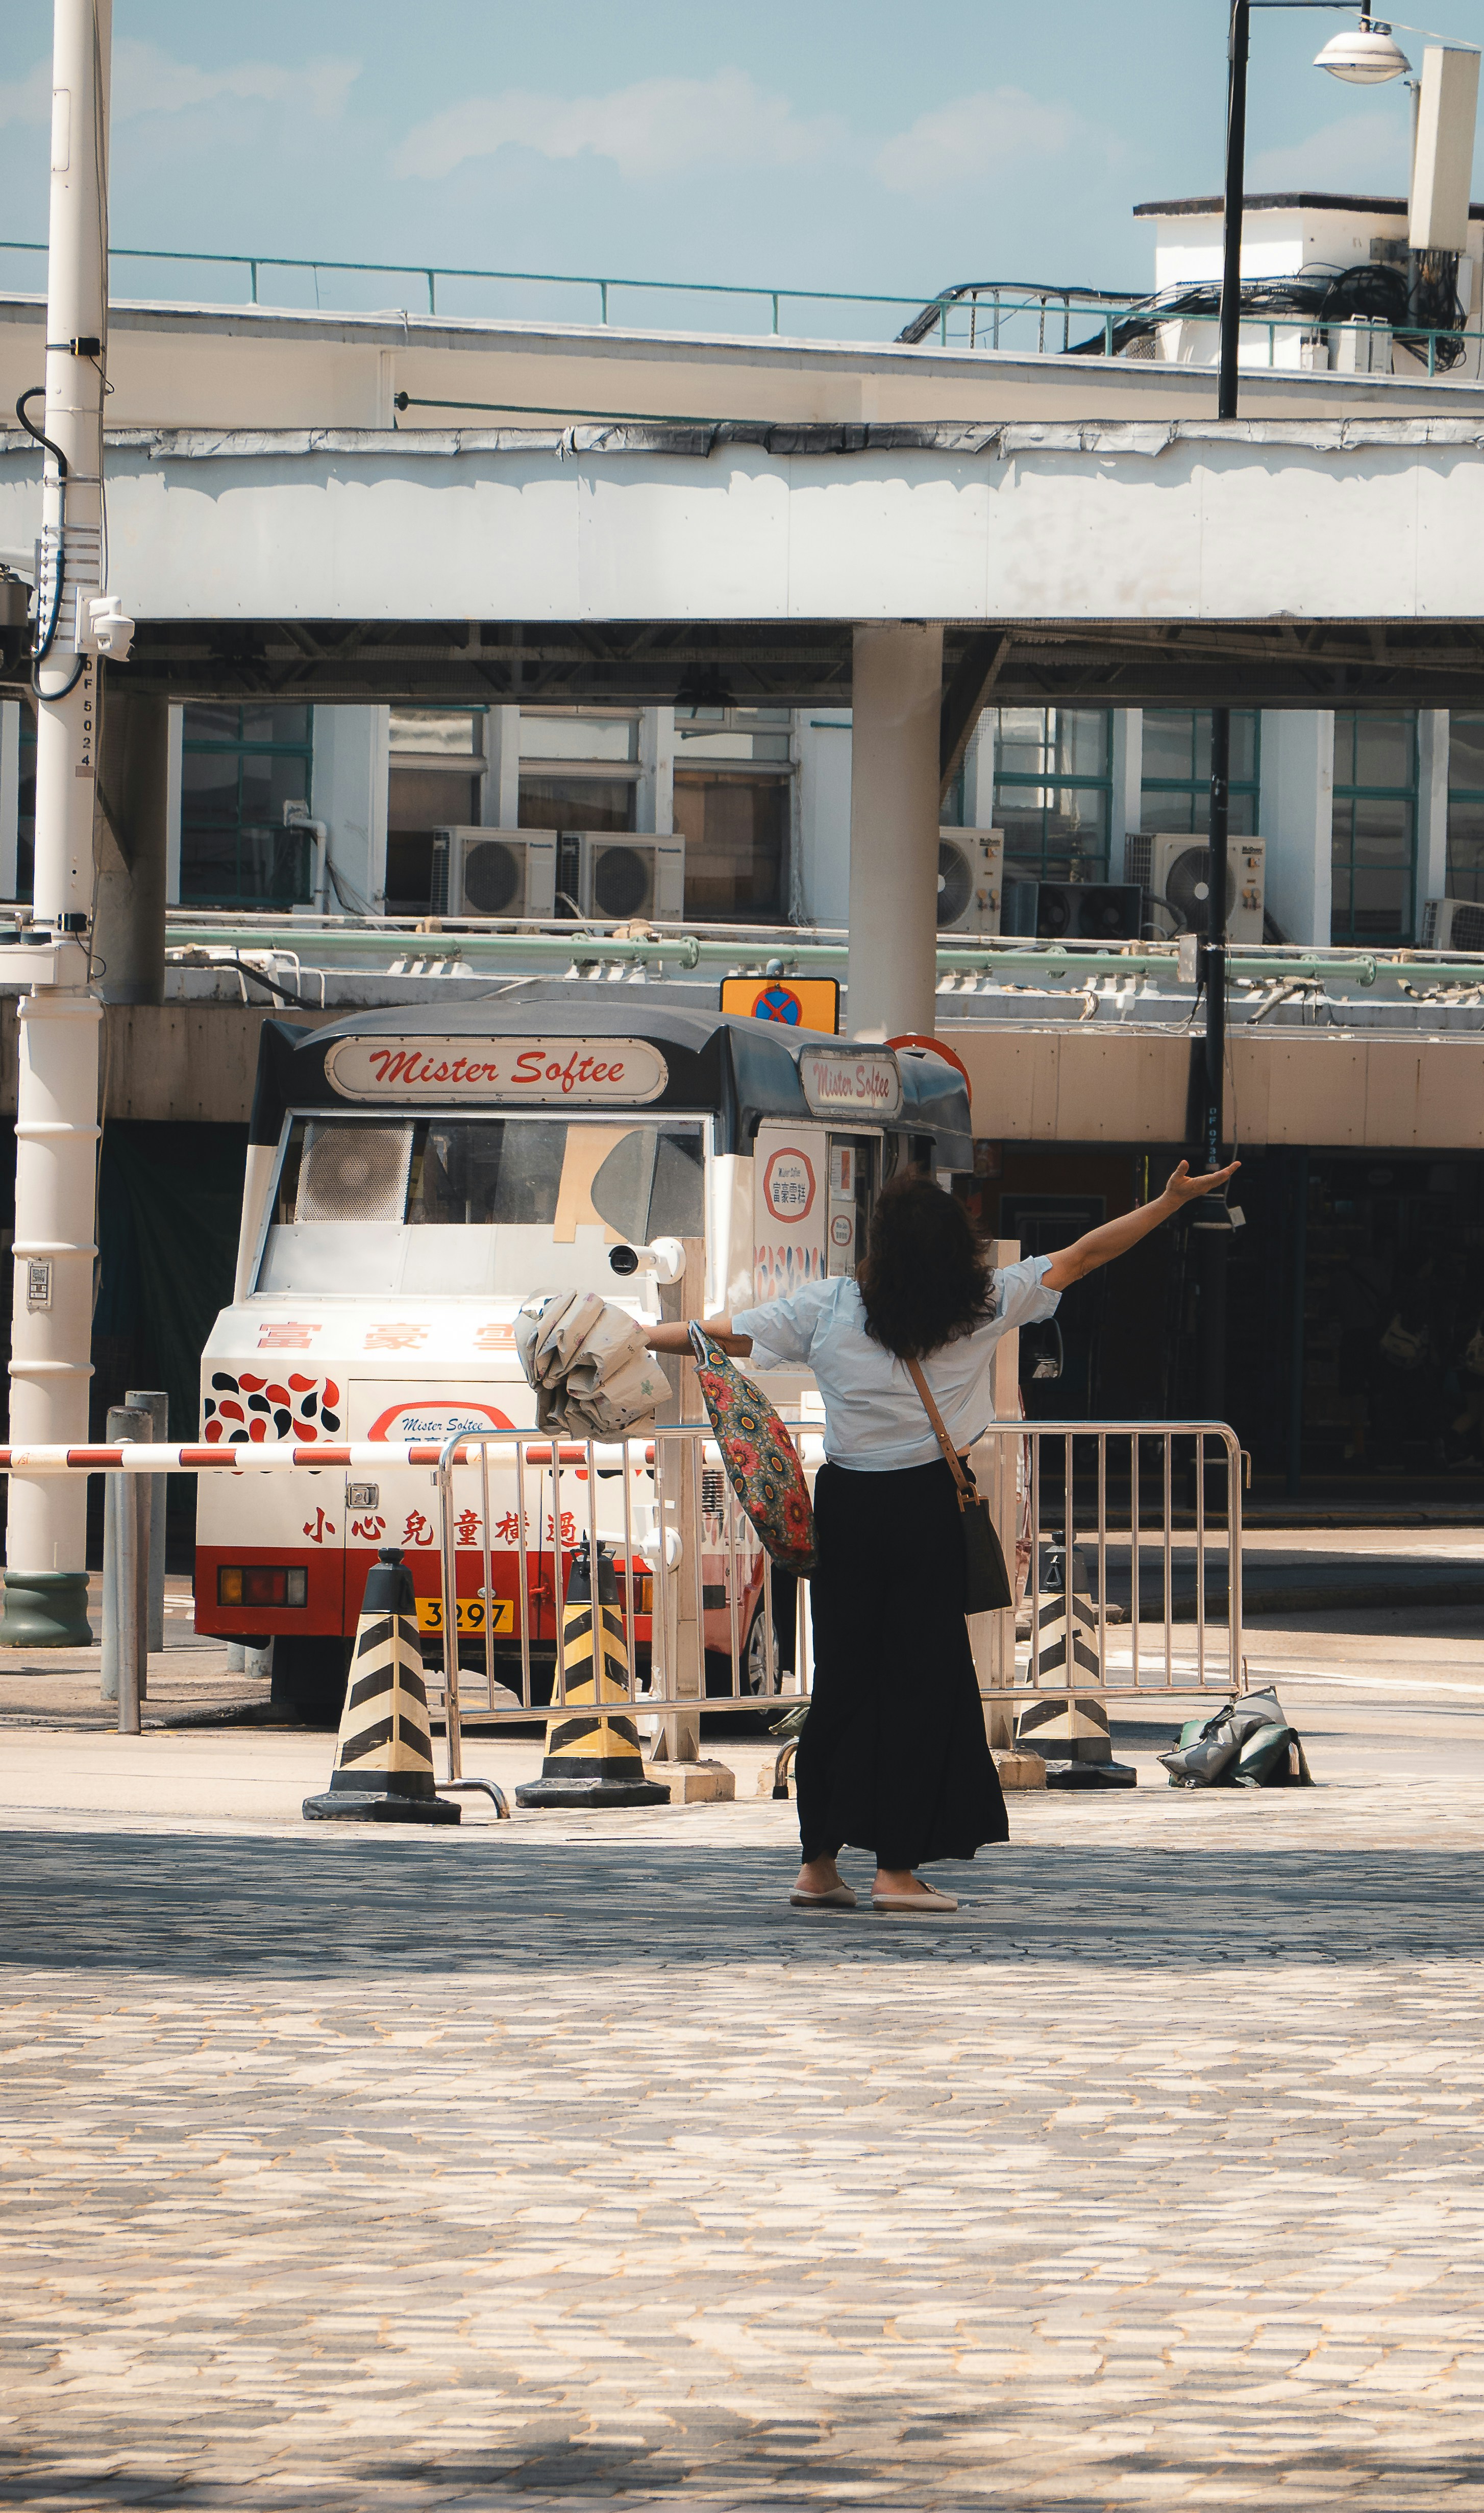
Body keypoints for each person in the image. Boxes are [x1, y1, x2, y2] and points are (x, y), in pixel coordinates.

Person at [646, 1156, 1238, 1914]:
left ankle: (817, 1865)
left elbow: (716, 1335)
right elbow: (1086, 1254)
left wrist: (633, 1334)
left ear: (880, 1245)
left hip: (849, 1511)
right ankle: (897, 1871)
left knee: (844, 1688)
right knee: (924, 1689)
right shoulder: (983, 1305)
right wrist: (1167, 1202)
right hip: (929, 1509)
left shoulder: (830, 1307)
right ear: (957, 1248)